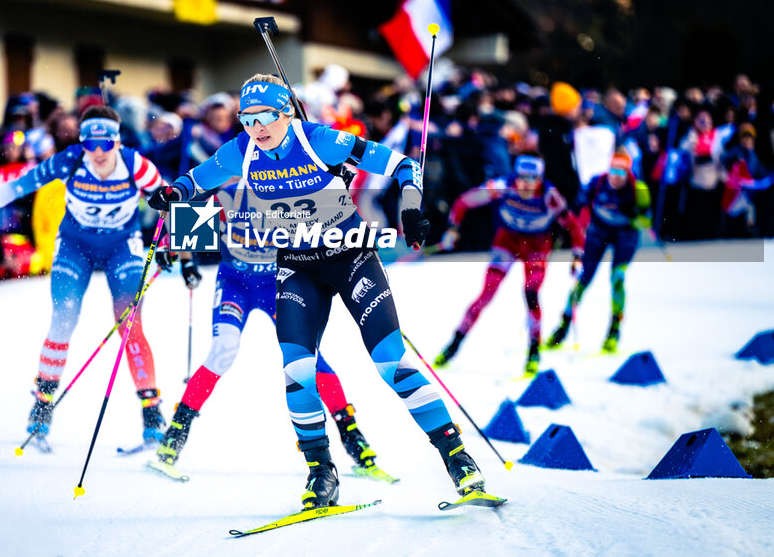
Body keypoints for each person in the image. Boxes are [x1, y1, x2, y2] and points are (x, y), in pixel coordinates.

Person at [149, 74, 488, 509]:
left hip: (350, 257)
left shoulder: (319, 141)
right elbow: (195, 182)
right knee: (298, 369)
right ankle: (321, 473)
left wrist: (409, 208)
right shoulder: (241, 151)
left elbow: (406, 166)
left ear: (286, 112)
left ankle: (458, 459)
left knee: (390, 361)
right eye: (247, 118)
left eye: (265, 117)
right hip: (296, 266)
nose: (256, 127)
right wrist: (173, 196)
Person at [149, 181, 396, 483]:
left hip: (276, 284)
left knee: (306, 355)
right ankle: (174, 437)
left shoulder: (290, 195)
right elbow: (187, 223)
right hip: (235, 284)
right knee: (223, 350)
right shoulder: (230, 196)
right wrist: (179, 257)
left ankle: (353, 437)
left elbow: (327, 230)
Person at [0, 107, 167, 450]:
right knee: (64, 316)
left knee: (129, 323)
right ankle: (42, 408)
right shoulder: (70, 160)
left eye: (106, 143)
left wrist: (182, 253)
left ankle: (152, 414)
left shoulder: (136, 165)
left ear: (117, 141)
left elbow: (173, 199)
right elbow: (20, 185)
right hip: (76, 247)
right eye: (90, 143)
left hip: (122, 248)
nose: (98, 151)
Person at [435, 153, 585, 376]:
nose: (525, 184)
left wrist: (578, 255)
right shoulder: (503, 186)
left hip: (536, 246)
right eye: (521, 177)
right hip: (508, 241)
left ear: (540, 179)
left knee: (531, 293)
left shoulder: (549, 195)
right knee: (486, 294)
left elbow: (572, 226)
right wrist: (452, 229)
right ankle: (454, 344)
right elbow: (464, 201)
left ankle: (534, 351)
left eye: (532, 179)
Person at [547, 150, 650, 353]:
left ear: (629, 173)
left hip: (625, 235)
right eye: (613, 170)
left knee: (617, 278)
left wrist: (634, 215)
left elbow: (646, 221)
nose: (616, 176)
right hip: (598, 231)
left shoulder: (638, 189)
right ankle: (563, 326)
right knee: (583, 278)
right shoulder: (596, 183)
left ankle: (614, 330)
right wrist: (570, 230)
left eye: (622, 172)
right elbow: (577, 208)